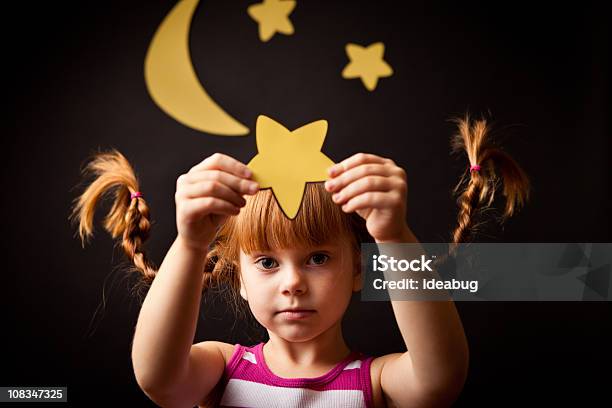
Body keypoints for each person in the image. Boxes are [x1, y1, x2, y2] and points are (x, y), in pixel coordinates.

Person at [69, 115, 529, 407]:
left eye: (318, 258)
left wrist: (394, 236)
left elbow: (440, 379)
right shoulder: (222, 370)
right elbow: (158, 379)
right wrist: (190, 244)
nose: (292, 282)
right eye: (267, 262)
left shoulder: (378, 381)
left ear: (357, 270)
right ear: (240, 279)